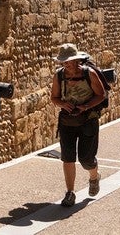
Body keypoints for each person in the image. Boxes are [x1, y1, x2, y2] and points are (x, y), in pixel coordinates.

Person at [50, 43, 106, 207]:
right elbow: (54, 98)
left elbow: (101, 95)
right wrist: (63, 104)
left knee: (86, 158)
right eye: (63, 61)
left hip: (88, 119)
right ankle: (70, 193)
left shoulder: (90, 74)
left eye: (68, 61)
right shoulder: (59, 76)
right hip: (67, 120)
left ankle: (94, 176)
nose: (65, 64)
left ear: (76, 61)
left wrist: (86, 106)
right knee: (67, 157)